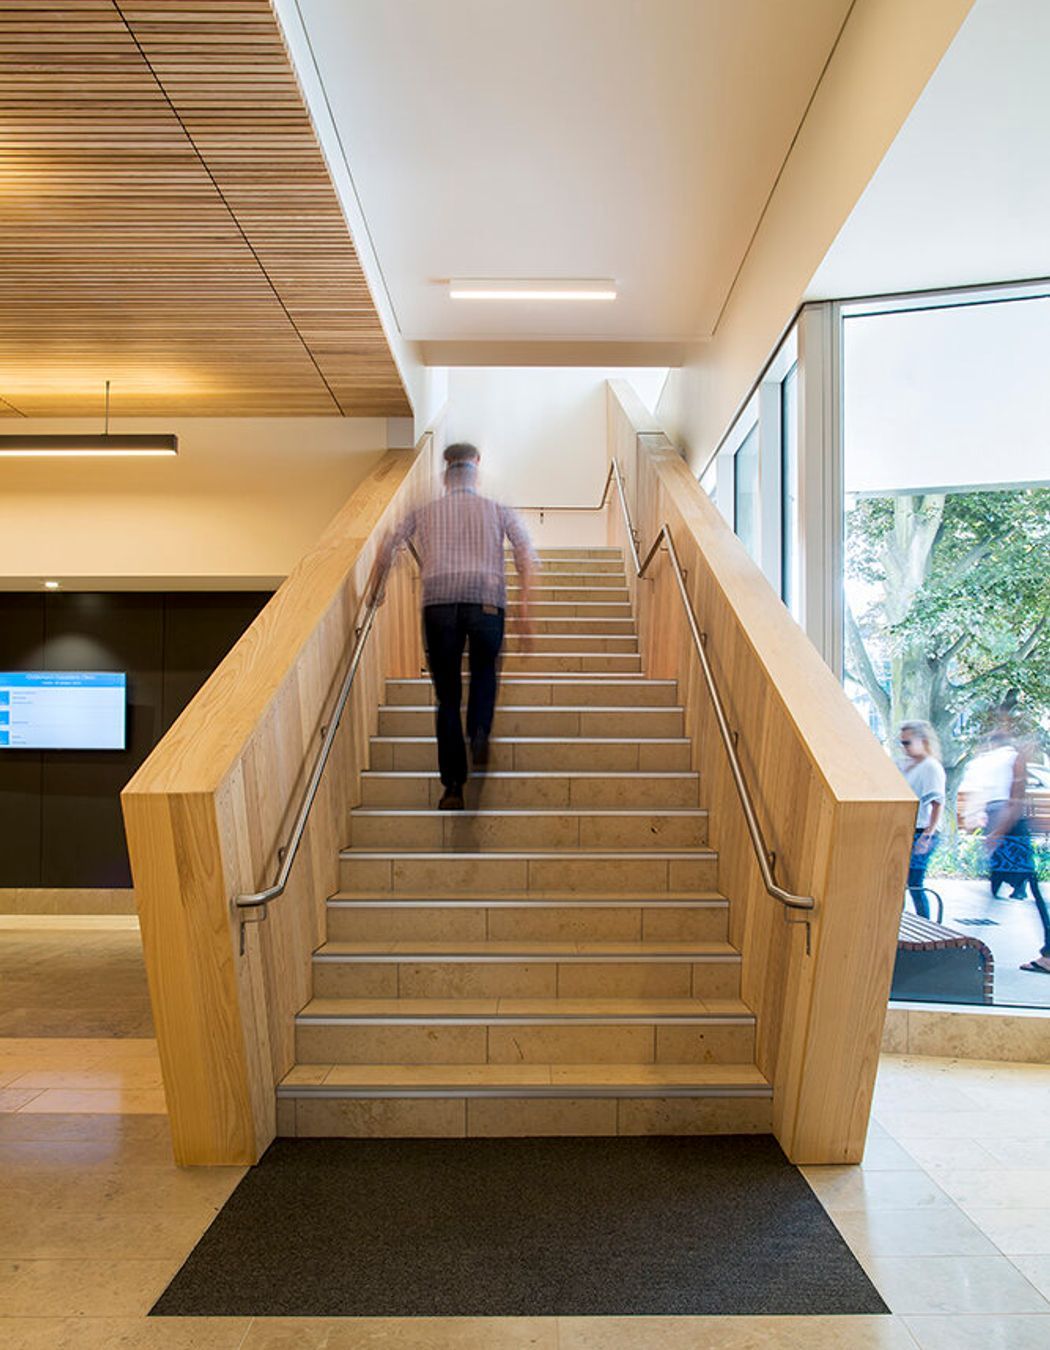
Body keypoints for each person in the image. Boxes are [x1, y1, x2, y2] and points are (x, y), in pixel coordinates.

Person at [372, 442, 536, 810]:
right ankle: (478, 732)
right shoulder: (496, 507)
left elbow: (389, 544)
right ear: (476, 467)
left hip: (439, 605)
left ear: (446, 474)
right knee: (483, 673)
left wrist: (375, 592)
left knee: (447, 697)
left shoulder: (425, 508)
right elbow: (525, 551)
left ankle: (453, 789)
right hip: (487, 602)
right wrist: (524, 608)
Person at [898, 720, 946, 919]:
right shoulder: (905, 765)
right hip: (907, 829)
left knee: (915, 883)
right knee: (899, 883)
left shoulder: (930, 767)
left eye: (907, 743)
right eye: (902, 743)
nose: (904, 748)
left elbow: (937, 803)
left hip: (922, 830)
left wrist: (928, 834)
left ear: (922, 741)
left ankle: (925, 923)